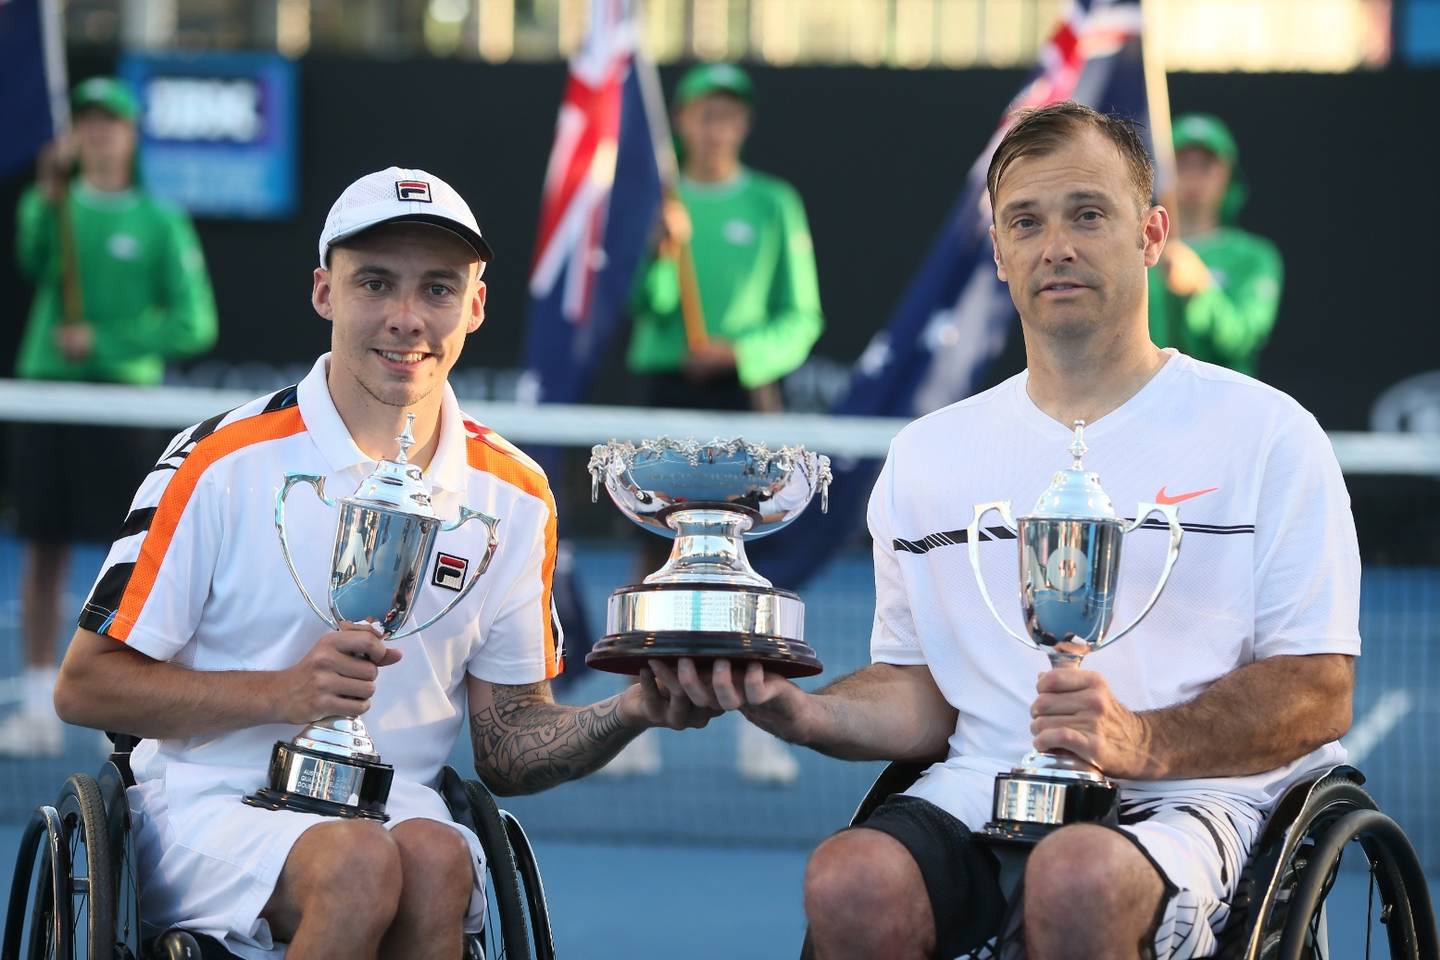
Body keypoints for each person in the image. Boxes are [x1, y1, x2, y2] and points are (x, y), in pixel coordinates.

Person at [651, 102, 1359, 959]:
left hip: (1198, 801)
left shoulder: (1271, 434)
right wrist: (805, 712)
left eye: (1088, 214)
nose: (1055, 244)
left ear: (1152, 234)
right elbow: (919, 693)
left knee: (1077, 879)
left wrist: (1143, 740)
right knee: (849, 881)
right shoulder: (928, 456)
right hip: (982, 789)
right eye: (1025, 221)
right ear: (998, 252)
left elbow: (1319, 688)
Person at [52, 167, 717, 960]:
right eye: (375, 283)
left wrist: (634, 709)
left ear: (474, 305)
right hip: (207, 804)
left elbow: (506, 746)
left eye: (436, 290)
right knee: (359, 866)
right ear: (324, 292)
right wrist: (283, 694)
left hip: (399, 808)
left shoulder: (516, 495)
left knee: (438, 862)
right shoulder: (217, 461)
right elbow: (85, 684)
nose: (407, 319)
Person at [609, 62, 825, 784]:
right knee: (650, 550)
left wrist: (741, 351)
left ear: (743, 123)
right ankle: (631, 718)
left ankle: (760, 723)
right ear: (682, 120)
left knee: (752, 559)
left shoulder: (774, 203)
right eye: (704, 112)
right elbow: (645, 304)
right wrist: (660, 256)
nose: (716, 125)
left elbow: (802, 317)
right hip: (666, 387)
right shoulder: (653, 202)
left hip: (746, 393)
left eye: (729, 113)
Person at [1, 76, 218, 756]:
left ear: (130, 134)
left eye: (111, 122)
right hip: (46, 396)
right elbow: (32, 258)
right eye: (88, 122)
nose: (98, 133)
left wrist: (105, 342)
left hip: (122, 406)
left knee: (126, 562)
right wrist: (44, 194)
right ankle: (38, 701)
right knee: (41, 548)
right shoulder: (53, 203)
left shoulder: (160, 220)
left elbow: (193, 323)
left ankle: (116, 704)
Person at [1148, 112, 1283, 377]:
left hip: (1224, 404)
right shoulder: (1138, 250)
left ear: (1227, 174)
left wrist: (1200, 287)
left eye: (1205, 164)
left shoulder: (1254, 256)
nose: (1193, 175)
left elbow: (1243, 337)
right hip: (1145, 402)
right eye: (1182, 163)